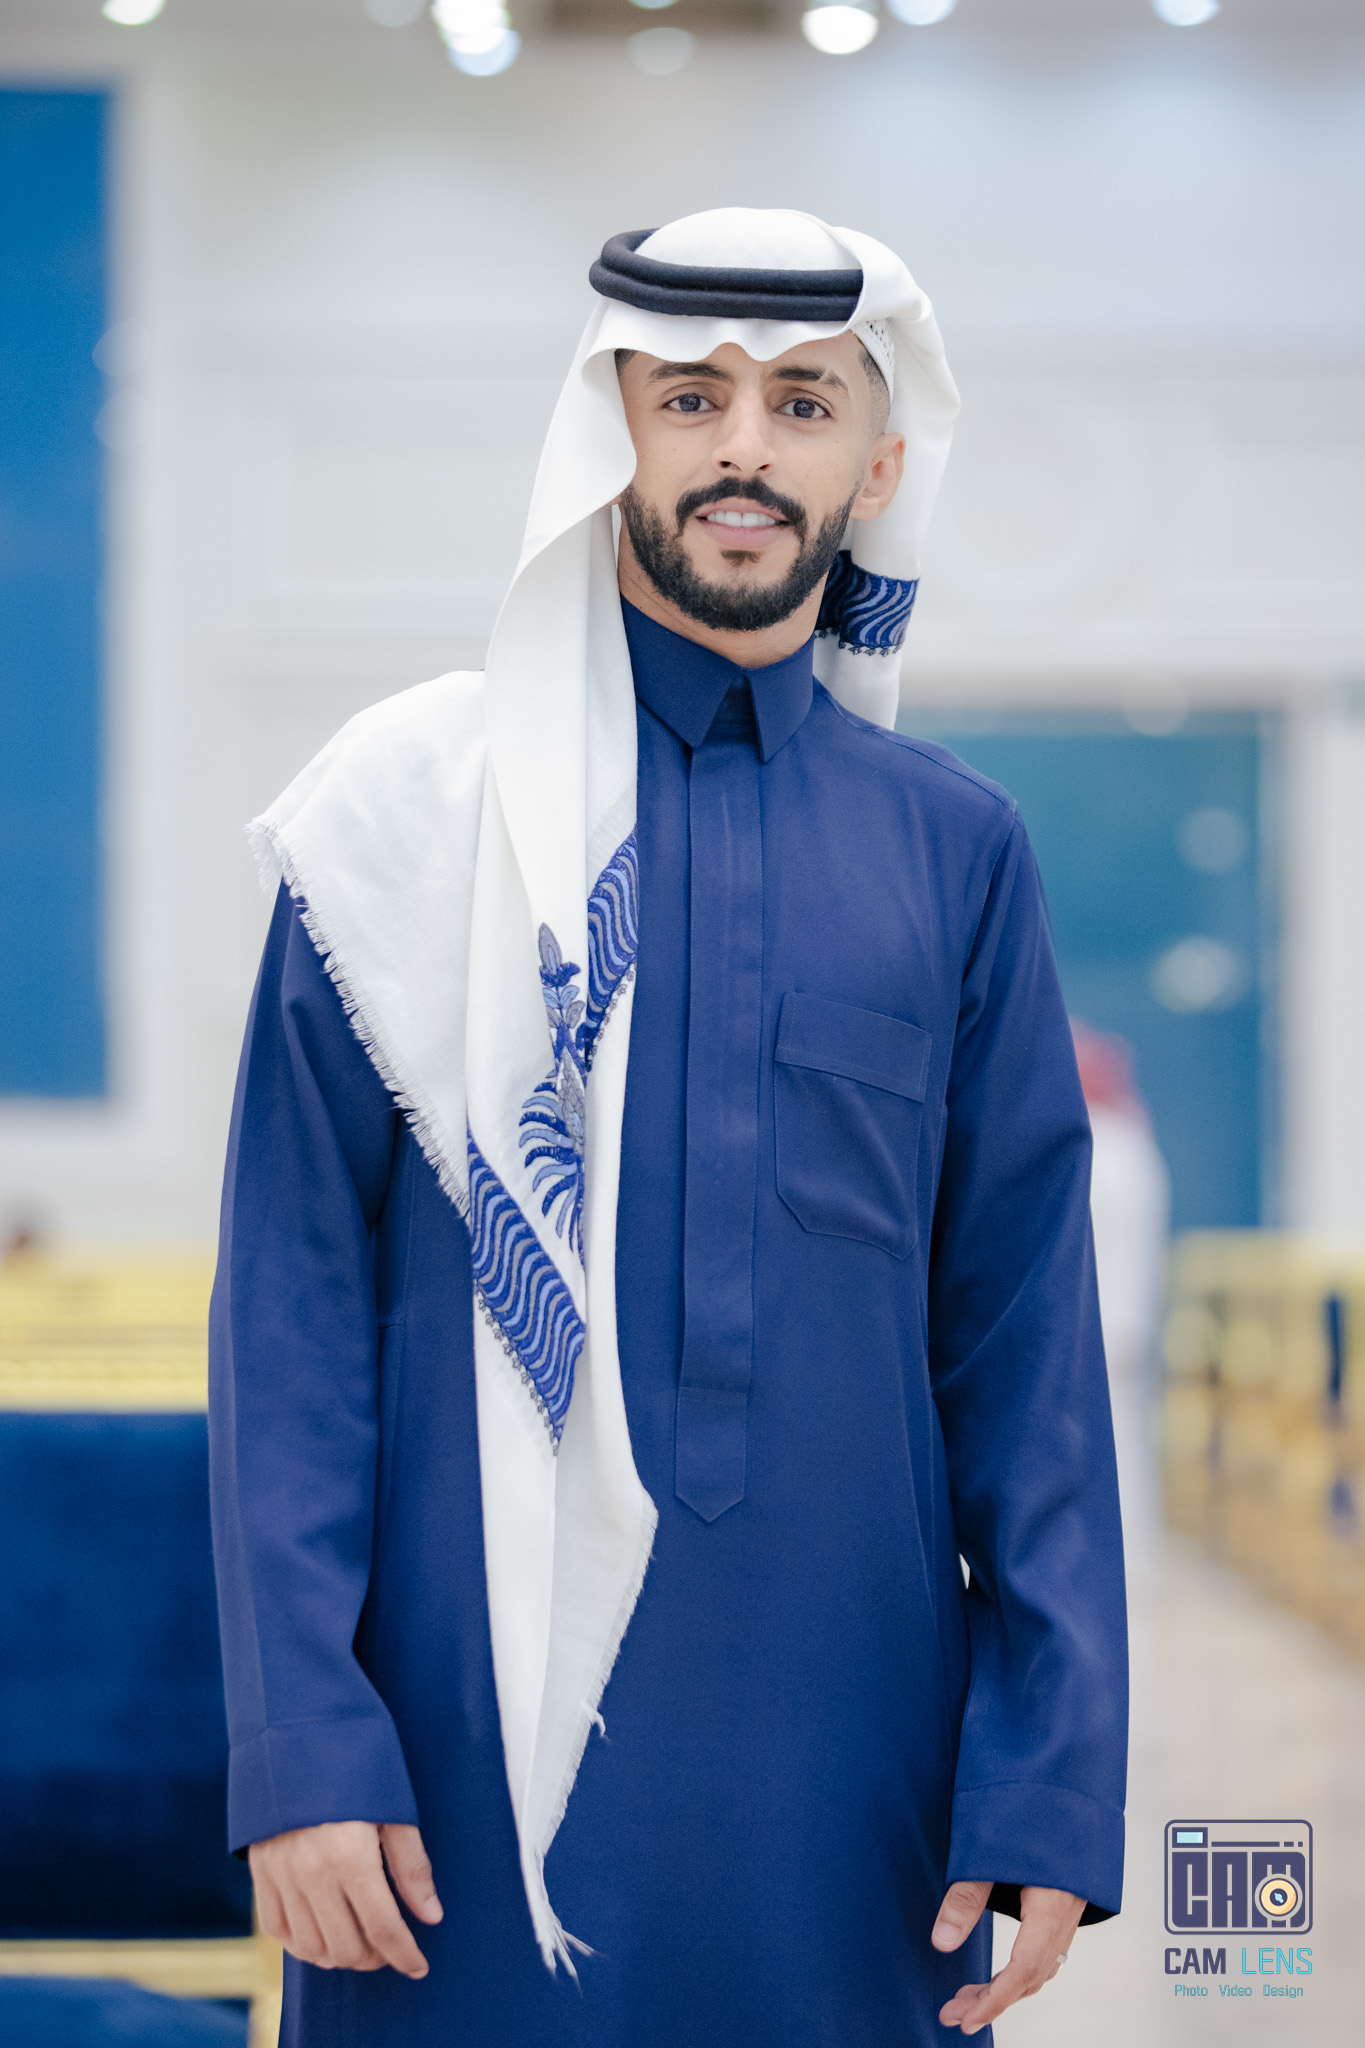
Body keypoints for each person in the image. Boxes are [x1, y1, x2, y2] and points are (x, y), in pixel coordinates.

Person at [209, 209, 1127, 2048]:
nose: (742, 449)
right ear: (604, 434)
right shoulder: (407, 818)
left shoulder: (954, 852)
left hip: (856, 1770)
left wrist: (1047, 1774)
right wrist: (302, 1738)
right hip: (446, 1773)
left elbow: (1022, 1350)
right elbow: (289, 1320)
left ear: (875, 468)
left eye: (802, 404)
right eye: (688, 397)